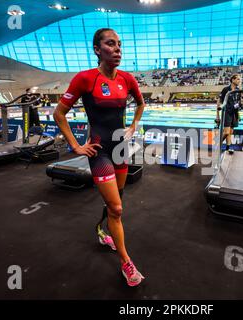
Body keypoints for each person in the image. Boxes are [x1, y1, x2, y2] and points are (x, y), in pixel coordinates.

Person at [53, 28, 146, 287]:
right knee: (117, 208)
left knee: (117, 200)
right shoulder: (85, 79)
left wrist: (134, 125)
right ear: (97, 50)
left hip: (120, 149)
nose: (117, 49)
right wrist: (75, 146)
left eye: (119, 44)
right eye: (110, 44)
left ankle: (103, 229)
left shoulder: (128, 79)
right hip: (99, 150)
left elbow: (140, 103)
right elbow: (59, 114)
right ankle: (126, 261)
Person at [215, 74, 243, 154]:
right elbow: (219, 101)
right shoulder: (226, 89)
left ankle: (228, 149)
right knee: (226, 132)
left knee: (230, 132)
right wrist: (217, 115)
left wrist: (239, 115)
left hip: (234, 113)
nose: (239, 81)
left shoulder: (238, 90)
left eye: (240, 79)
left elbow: (238, 103)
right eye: (238, 79)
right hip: (227, 112)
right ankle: (218, 144)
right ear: (233, 80)